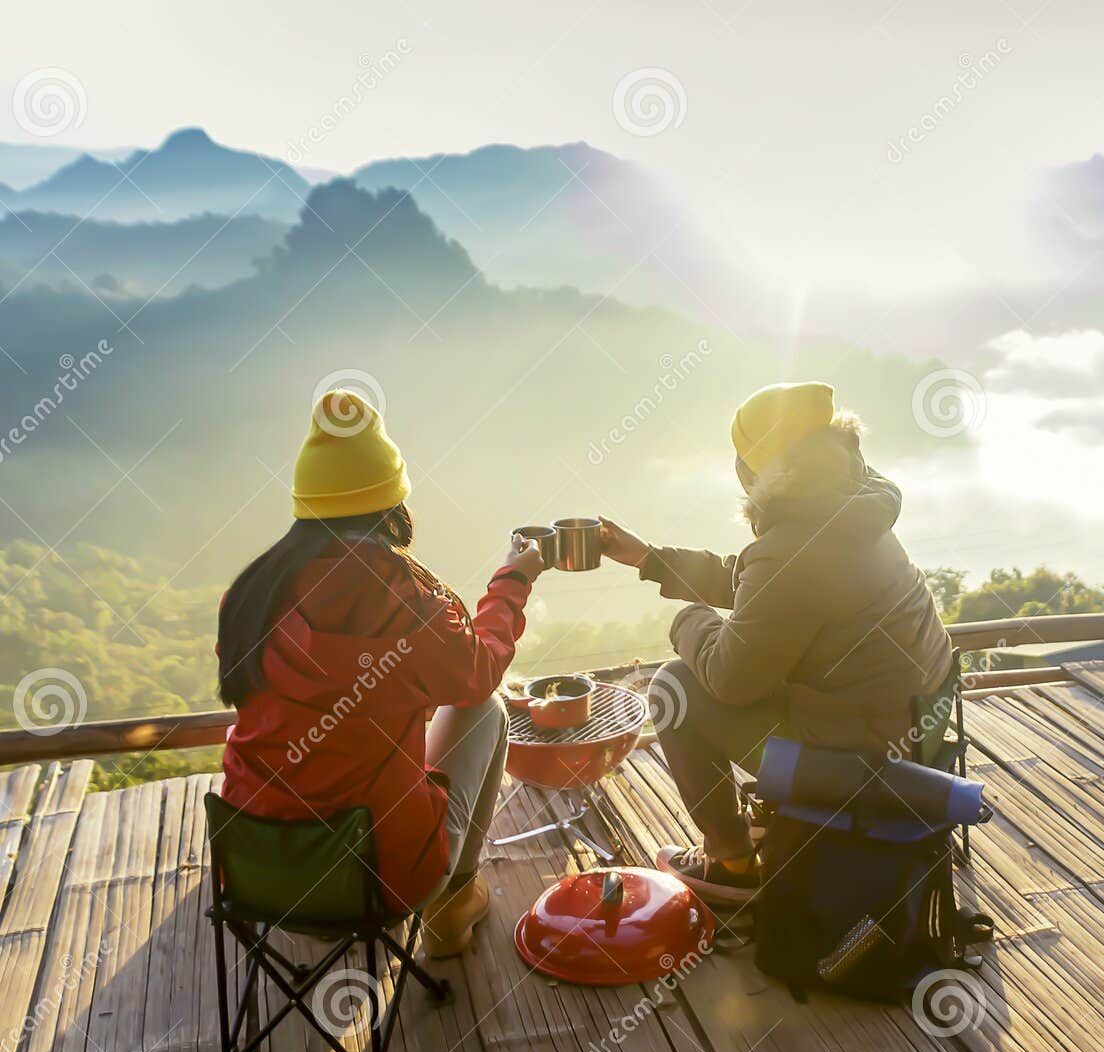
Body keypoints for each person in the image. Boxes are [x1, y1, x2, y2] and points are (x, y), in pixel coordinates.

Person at [216, 391, 543, 957]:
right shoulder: (405, 605)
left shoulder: (250, 596)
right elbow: (479, 671)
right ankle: (451, 907)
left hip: (254, 871)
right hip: (377, 880)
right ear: (393, 503)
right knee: (484, 708)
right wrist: (512, 580)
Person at [599, 381, 952, 904]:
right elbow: (763, 588)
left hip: (865, 758)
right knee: (748, 667)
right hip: (924, 719)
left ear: (756, 472)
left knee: (678, 686)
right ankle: (768, 829)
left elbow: (730, 678)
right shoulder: (854, 503)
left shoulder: (794, 549)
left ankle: (733, 862)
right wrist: (652, 560)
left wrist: (687, 621)